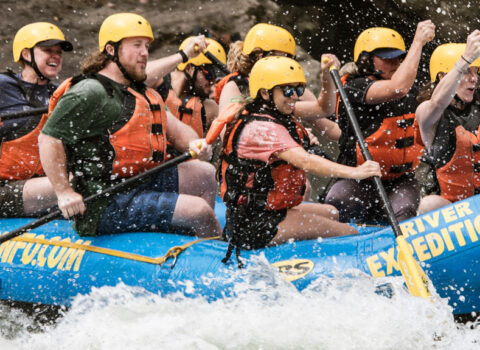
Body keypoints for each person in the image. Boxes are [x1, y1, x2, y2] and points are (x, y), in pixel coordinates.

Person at [38, 13, 221, 237]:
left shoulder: (140, 91)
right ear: (111, 50)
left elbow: (179, 134)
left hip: (141, 180)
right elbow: (49, 138)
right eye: (136, 45)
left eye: (146, 46)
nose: (145, 52)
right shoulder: (90, 91)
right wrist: (64, 191)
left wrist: (197, 144)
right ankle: (214, 257)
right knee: (198, 211)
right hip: (106, 200)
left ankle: (195, 243)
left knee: (206, 174)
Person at [218, 56, 381, 263]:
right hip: (254, 224)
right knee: (348, 231)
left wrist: (326, 75)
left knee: (331, 212)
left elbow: (324, 108)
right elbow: (306, 161)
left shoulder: (277, 111)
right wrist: (356, 172)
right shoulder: (261, 128)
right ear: (265, 93)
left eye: (298, 89)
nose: (294, 96)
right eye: (287, 90)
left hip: (265, 211)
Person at [324, 21, 435, 223]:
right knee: (338, 200)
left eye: (399, 58)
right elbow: (396, 89)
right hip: (358, 176)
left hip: (398, 180)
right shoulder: (355, 87)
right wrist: (418, 42)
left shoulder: (410, 89)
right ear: (366, 61)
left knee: (405, 210)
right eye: (387, 58)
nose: (396, 63)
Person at [216, 23, 342, 142]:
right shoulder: (235, 87)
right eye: (282, 58)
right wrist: (290, 140)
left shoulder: (297, 91)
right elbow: (227, 135)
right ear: (259, 56)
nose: (287, 63)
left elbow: (330, 127)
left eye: (290, 58)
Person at [0, 22, 73, 217]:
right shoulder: (3, 86)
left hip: (41, 184)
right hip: (4, 190)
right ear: (26, 54)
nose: (56, 56)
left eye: (59, 52)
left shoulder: (61, 92)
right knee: (75, 181)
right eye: (48, 50)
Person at [415, 32, 480, 213]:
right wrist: (464, 60)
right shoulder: (427, 113)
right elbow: (437, 103)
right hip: (455, 214)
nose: (474, 78)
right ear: (443, 77)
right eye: (467, 71)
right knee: (429, 204)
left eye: (475, 72)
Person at [149, 37, 226, 140]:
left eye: (215, 77)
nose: (212, 82)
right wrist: (184, 55)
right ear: (189, 68)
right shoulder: (158, 84)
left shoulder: (210, 108)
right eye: (209, 74)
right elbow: (139, 75)